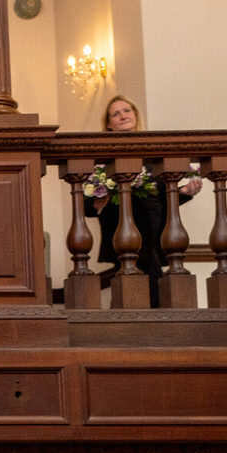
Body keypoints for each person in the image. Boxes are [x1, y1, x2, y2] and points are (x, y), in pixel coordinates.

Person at [88, 94, 198, 304]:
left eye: (126, 111)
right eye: (116, 114)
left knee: (153, 290)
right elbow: (90, 196)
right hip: (122, 234)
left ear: (135, 116)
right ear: (109, 124)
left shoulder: (151, 152)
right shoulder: (102, 155)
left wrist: (183, 192)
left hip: (154, 233)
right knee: (129, 293)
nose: (122, 116)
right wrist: (97, 202)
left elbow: (160, 195)